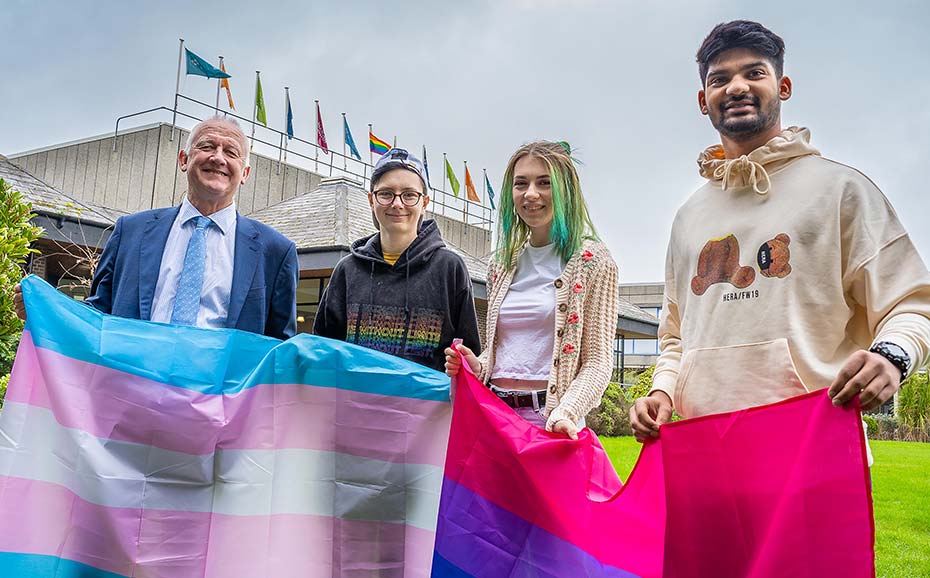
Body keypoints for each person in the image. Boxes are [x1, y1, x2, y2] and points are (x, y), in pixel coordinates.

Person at [631, 20, 930, 440]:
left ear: (783, 86)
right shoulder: (689, 215)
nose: (736, 87)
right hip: (703, 446)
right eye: (720, 79)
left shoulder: (841, 191)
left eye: (754, 73)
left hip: (815, 442)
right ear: (703, 100)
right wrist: (662, 391)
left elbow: (912, 303)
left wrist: (894, 355)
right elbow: (676, 335)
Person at [15, 117, 299, 339]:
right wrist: (48, 313)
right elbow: (98, 316)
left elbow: (279, 348)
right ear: (184, 160)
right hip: (131, 397)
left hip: (221, 407)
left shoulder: (275, 252)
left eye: (231, 152)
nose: (218, 157)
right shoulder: (130, 232)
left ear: (245, 173)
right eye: (207, 146)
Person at [445, 141, 619, 440]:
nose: (531, 194)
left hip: (551, 423)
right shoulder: (501, 263)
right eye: (521, 184)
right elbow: (503, 349)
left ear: (566, 191)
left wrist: (567, 412)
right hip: (495, 417)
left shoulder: (593, 261)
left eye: (544, 183)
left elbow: (598, 362)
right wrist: (478, 365)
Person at [313, 148, 480, 372]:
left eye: (409, 195)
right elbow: (324, 350)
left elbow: (468, 356)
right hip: (355, 404)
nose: (397, 204)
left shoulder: (449, 268)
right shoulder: (347, 270)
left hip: (427, 406)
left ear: (425, 202)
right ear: (371, 200)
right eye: (386, 194)